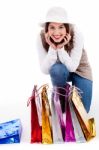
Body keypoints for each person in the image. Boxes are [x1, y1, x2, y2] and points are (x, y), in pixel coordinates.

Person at [37, 7, 93, 113]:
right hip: (60, 70)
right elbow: (44, 70)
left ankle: (72, 90)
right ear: (47, 28)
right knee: (57, 70)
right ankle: (62, 93)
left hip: (80, 70)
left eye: (61, 27)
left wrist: (61, 48)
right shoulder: (41, 37)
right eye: (52, 27)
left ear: (66, 27)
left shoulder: (77, 34)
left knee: (83, 111)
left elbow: (72, 67)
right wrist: (53, 48)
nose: (56, 32)